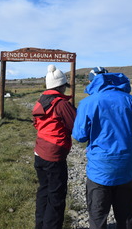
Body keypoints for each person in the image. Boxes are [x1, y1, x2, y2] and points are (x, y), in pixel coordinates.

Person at [72, 67, 132, 229]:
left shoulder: (87, 103)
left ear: (91, 82)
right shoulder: (129, 100)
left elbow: (79, 136)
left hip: (99, 168)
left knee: (98, 215)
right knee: (126, 215)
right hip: (125, 166)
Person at [32, 64, 77, 229]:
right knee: (56, 197)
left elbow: (36, 124)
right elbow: (75, 126)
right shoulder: (61, 104)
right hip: (54, 156)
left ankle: (40, 225)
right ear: (61, 85)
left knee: (43, 191)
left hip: (39, 152)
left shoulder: (41, 101)